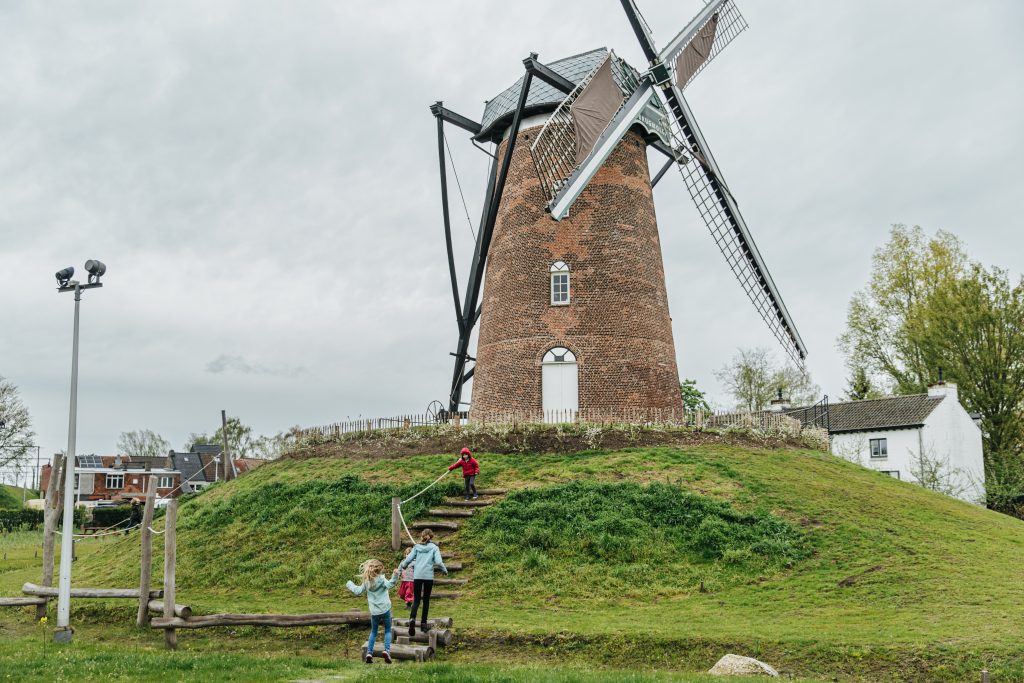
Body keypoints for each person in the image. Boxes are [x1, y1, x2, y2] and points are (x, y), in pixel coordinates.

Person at [345, 558, 399, 664]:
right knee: (388, 630)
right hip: (385, 609)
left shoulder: (367, 582)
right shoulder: (382, 579)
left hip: (374, 612)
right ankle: (386, 651)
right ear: (380, 570)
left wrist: (349, 584)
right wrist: (395, 575)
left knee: (373, 632)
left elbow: (358, 591)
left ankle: (369, 653)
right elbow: (391, 584)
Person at [398, 528, 448, 636]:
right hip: (428, 577)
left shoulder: (416, 547)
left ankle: (412, 619)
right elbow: (439, 562)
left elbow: (408, 559)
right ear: (431, 536)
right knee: (426, 600)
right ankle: (423, 624)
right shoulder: (434, 548)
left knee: (416, 600)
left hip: (417, 577)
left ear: (422, 536)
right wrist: (444, 570)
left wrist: (404, 566)